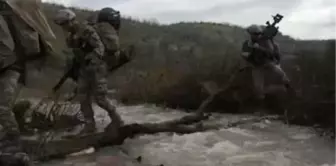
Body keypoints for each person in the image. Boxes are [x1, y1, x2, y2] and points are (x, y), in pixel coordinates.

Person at [0, 0, 56, 164]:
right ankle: (16, 126)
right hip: (11, 66)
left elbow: (6, 49)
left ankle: (15, 142)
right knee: (5, 105)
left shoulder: (4, 20)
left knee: (2, 107)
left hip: (10, 66)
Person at [53, 9, 124, 135]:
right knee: (82, 98)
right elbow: (77, 52)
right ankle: (89, 125)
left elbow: (99, 48)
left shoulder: (86, 30)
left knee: (100, 98)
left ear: (71, 21)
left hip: (97, 67)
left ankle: (117, 120)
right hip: (84, 69)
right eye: (62, 25)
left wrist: (92, 62)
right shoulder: (71, 35)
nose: (64, 27)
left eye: (65, 24)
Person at [241, 24, 295, 103]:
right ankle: (261, 103)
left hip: (268, 63)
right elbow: (244, 53)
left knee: (281, 74)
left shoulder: (266, 41)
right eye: (255, 34)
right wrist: (246, 55)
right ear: (251, 34)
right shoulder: (248, 43)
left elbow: (271, 53)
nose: (257, 36)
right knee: (258, 88)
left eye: (258, 34)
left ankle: (289, 89)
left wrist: (259, 48)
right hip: (256, 66)